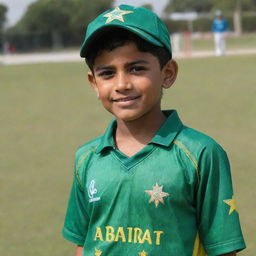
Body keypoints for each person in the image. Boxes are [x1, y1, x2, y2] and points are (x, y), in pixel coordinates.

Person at [62, 5, 246, 256]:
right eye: (107, 73)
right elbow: (83, 242)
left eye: (136, 69)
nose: (122, 84)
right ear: (94, 83)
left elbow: (223, 249)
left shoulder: (201, 153)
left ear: (167, 73)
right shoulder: (87, 157)